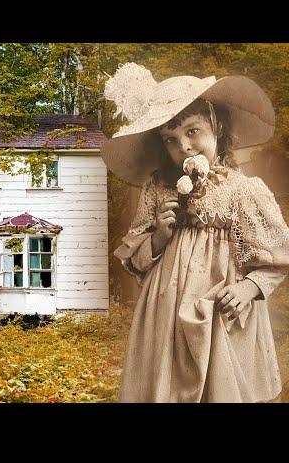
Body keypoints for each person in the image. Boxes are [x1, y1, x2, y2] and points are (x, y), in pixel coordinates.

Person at [102, 63, 289, 402]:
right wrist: (159, 234)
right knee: (167, 382)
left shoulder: (243, 189)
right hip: (167, 307)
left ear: (217, 127)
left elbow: (278, 254)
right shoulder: (158, 189)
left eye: (192, 131)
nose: (184, 147)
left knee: (222, 386)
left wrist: (250, 287)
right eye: (171, 140)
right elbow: (136, 259)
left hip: (222, 306)